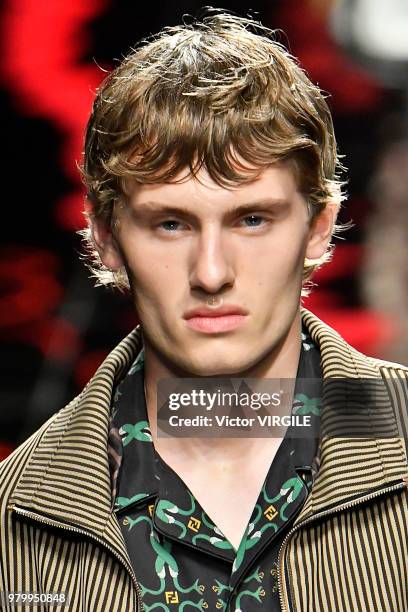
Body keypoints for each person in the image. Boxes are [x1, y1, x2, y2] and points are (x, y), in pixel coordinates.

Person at [1, 10, 407, 612]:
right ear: (107, 238)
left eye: (252, 219)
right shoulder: (19, 515)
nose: (211, 272)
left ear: (319, 229)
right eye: (170, 224)